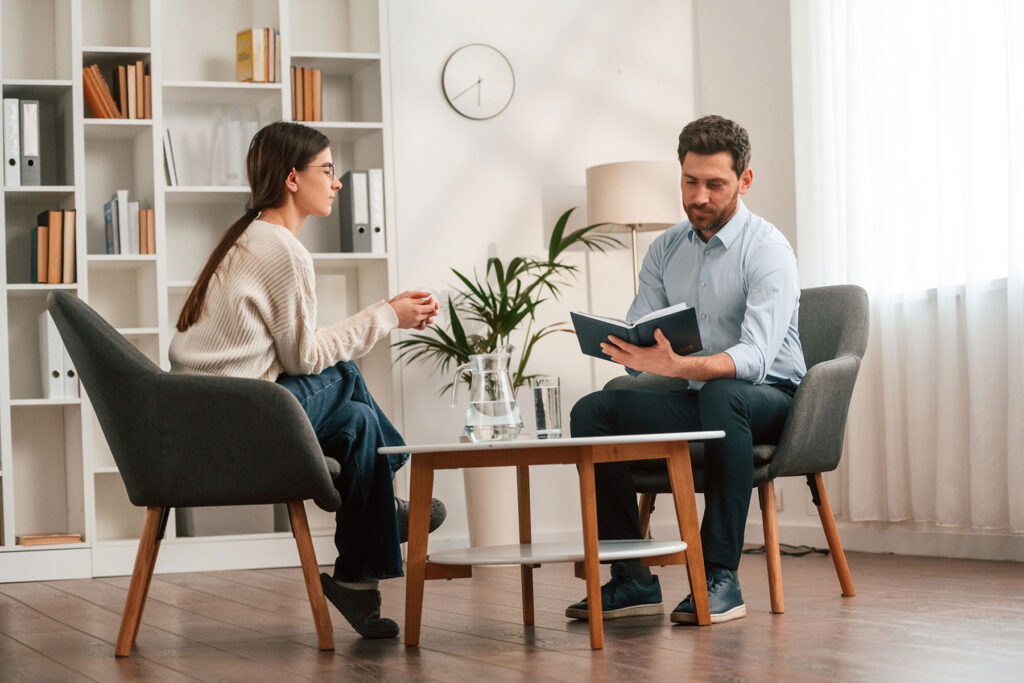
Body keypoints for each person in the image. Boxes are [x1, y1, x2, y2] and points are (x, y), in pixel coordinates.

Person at [169, 121, 446, 640]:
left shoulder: (250, 237)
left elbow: (292, 359)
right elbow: (304, 359)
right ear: (293, 179)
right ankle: (386, 493)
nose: (337, 182)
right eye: (327, 170)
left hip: (210, 413)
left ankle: (358, 587)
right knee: (340, 370)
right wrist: (387, 314)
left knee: (360, 421)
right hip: (236, 415)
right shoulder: (282, 249)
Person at [566, 115, 804, 624]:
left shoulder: (768, 250)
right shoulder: (665, 248)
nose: (700, 197)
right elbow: (640, 328)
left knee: (724, 394)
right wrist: (631, 353)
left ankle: (720, 578)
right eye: (690, 182)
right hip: (697, 392)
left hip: (769, 397)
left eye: (715, 185)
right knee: (593, 411)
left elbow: (757, 358)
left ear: (744, 180)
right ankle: (631, 578)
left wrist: (677, 365)